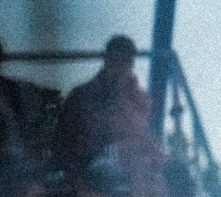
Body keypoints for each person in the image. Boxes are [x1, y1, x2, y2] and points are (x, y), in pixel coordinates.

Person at [55, 35, 155, 184]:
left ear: (131, 64)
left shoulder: (140, 98)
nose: (119, 67)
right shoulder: (81, 95)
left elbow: (140, 130)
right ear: (106, 59)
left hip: (133, 160)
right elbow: (64, 142)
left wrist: (122, 96)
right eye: (115, 60)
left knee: (169, 168)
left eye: (125, 62)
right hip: (92, 162)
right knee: (138, 166)